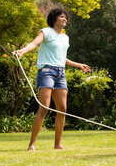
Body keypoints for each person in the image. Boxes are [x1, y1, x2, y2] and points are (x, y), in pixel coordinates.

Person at [14, 8, 91, 151]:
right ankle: (32, 144)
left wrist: (79, 65)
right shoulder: (46, 32)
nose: (64, 19)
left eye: (65, 18)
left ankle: (57, 144)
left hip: (60, 74)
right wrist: (22, 51)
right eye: (61, 17)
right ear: (54, 19)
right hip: (46, 72)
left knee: (62, 109)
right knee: (44, 107)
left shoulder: (65, 38)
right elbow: (33, 44)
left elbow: (62, 58)